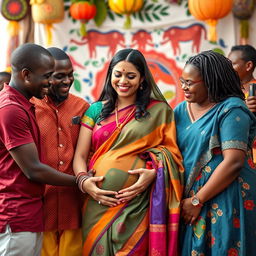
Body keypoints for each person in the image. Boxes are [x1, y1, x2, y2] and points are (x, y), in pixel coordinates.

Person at [73, 48, 184, 255]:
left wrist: (154, 174)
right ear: (110, 75)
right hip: (97, 201)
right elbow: (80, 155)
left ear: (142, 79)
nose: (123, 81)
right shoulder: (95, 110)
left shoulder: (159, 111)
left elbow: (172, 155)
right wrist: (84, 182)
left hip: (137, 204)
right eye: (118, 74)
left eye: (131, 76)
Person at [174, 50, 256, 255]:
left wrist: (197, 200)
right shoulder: (180, 110)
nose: (184, 87)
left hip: (226, 195)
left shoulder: (231, 109)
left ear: (210, 81)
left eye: (190, 82)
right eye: (182, 80)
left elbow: (233, 162)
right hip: (188, 201)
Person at [0, 43, 77, 256]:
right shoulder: (11, 110)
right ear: (26, 75)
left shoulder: (24, 105)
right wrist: (80, 181)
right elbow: (33, 169)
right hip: (16, 217)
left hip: (31, 215)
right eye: (47, 76)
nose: (50, 82)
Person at [31, 47, 89, 256]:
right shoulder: (29, 108)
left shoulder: (82, 108)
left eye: (70, 75)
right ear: (46, 76)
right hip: (40, 206)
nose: (67, 81)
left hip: (73, 205)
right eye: (59, 76)